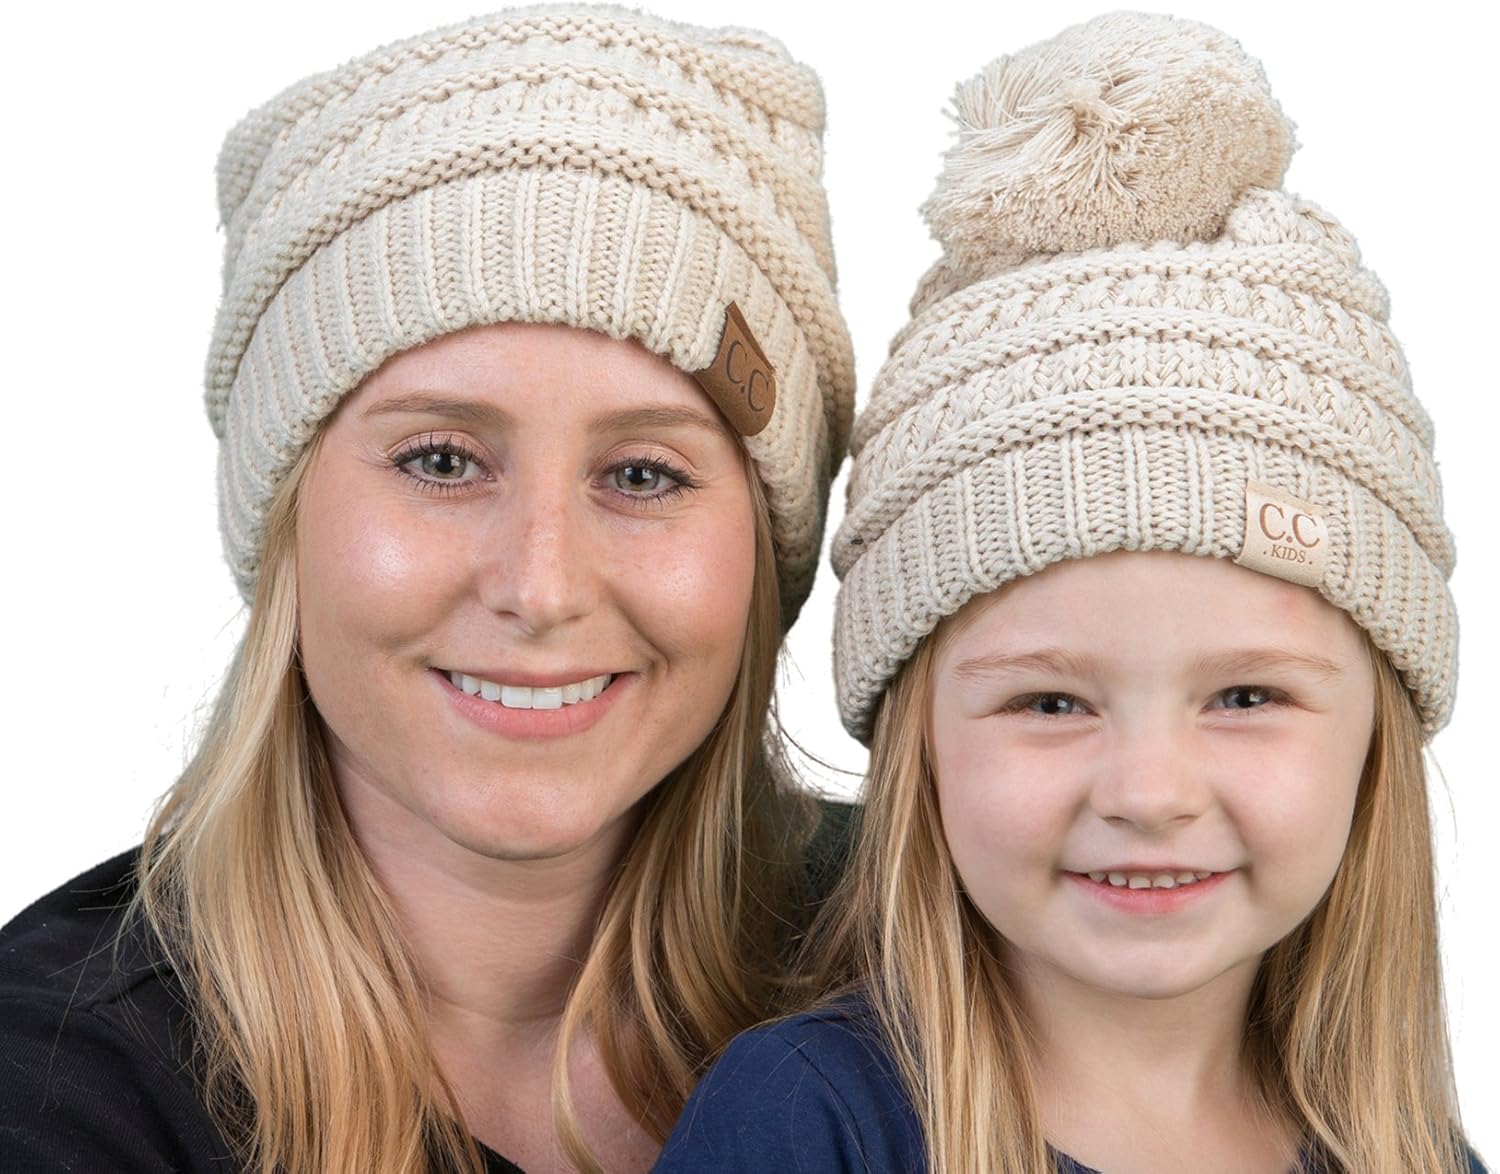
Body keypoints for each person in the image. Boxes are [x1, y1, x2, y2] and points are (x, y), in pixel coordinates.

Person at [0, 7, 854, 1173]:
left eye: (643, 472)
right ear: (285, 513)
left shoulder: (967, 957)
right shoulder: (57, 1091)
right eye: (441, 460)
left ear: (764, 545)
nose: (540, 586)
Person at [656, 13, 1486, 1173]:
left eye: (1246, 695)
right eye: (1050, 703)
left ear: (1374, 739)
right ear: (921, 738)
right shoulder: (813, 1123)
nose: (1150, 792)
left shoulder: (1410, 1151)